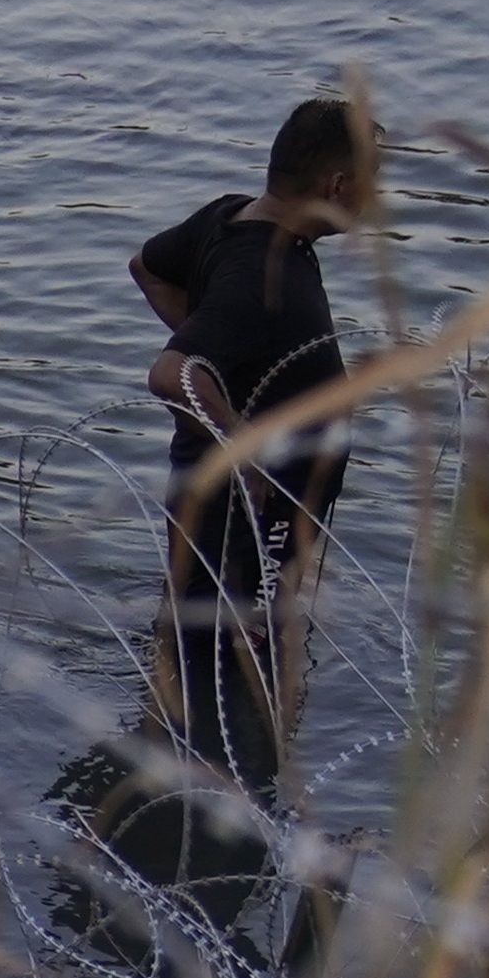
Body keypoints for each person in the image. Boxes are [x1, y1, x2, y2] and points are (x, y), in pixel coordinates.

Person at [132, 94, 376, 795]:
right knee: (239, 655)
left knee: (188, 632)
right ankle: (220, 802)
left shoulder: (229, 216)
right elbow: (169, 371)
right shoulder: (262, 280)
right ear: (335, 186)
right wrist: (239, 438)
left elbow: (145, 266)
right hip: (248, 514)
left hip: (218, 496)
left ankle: (165, 765)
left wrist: (218, 362)